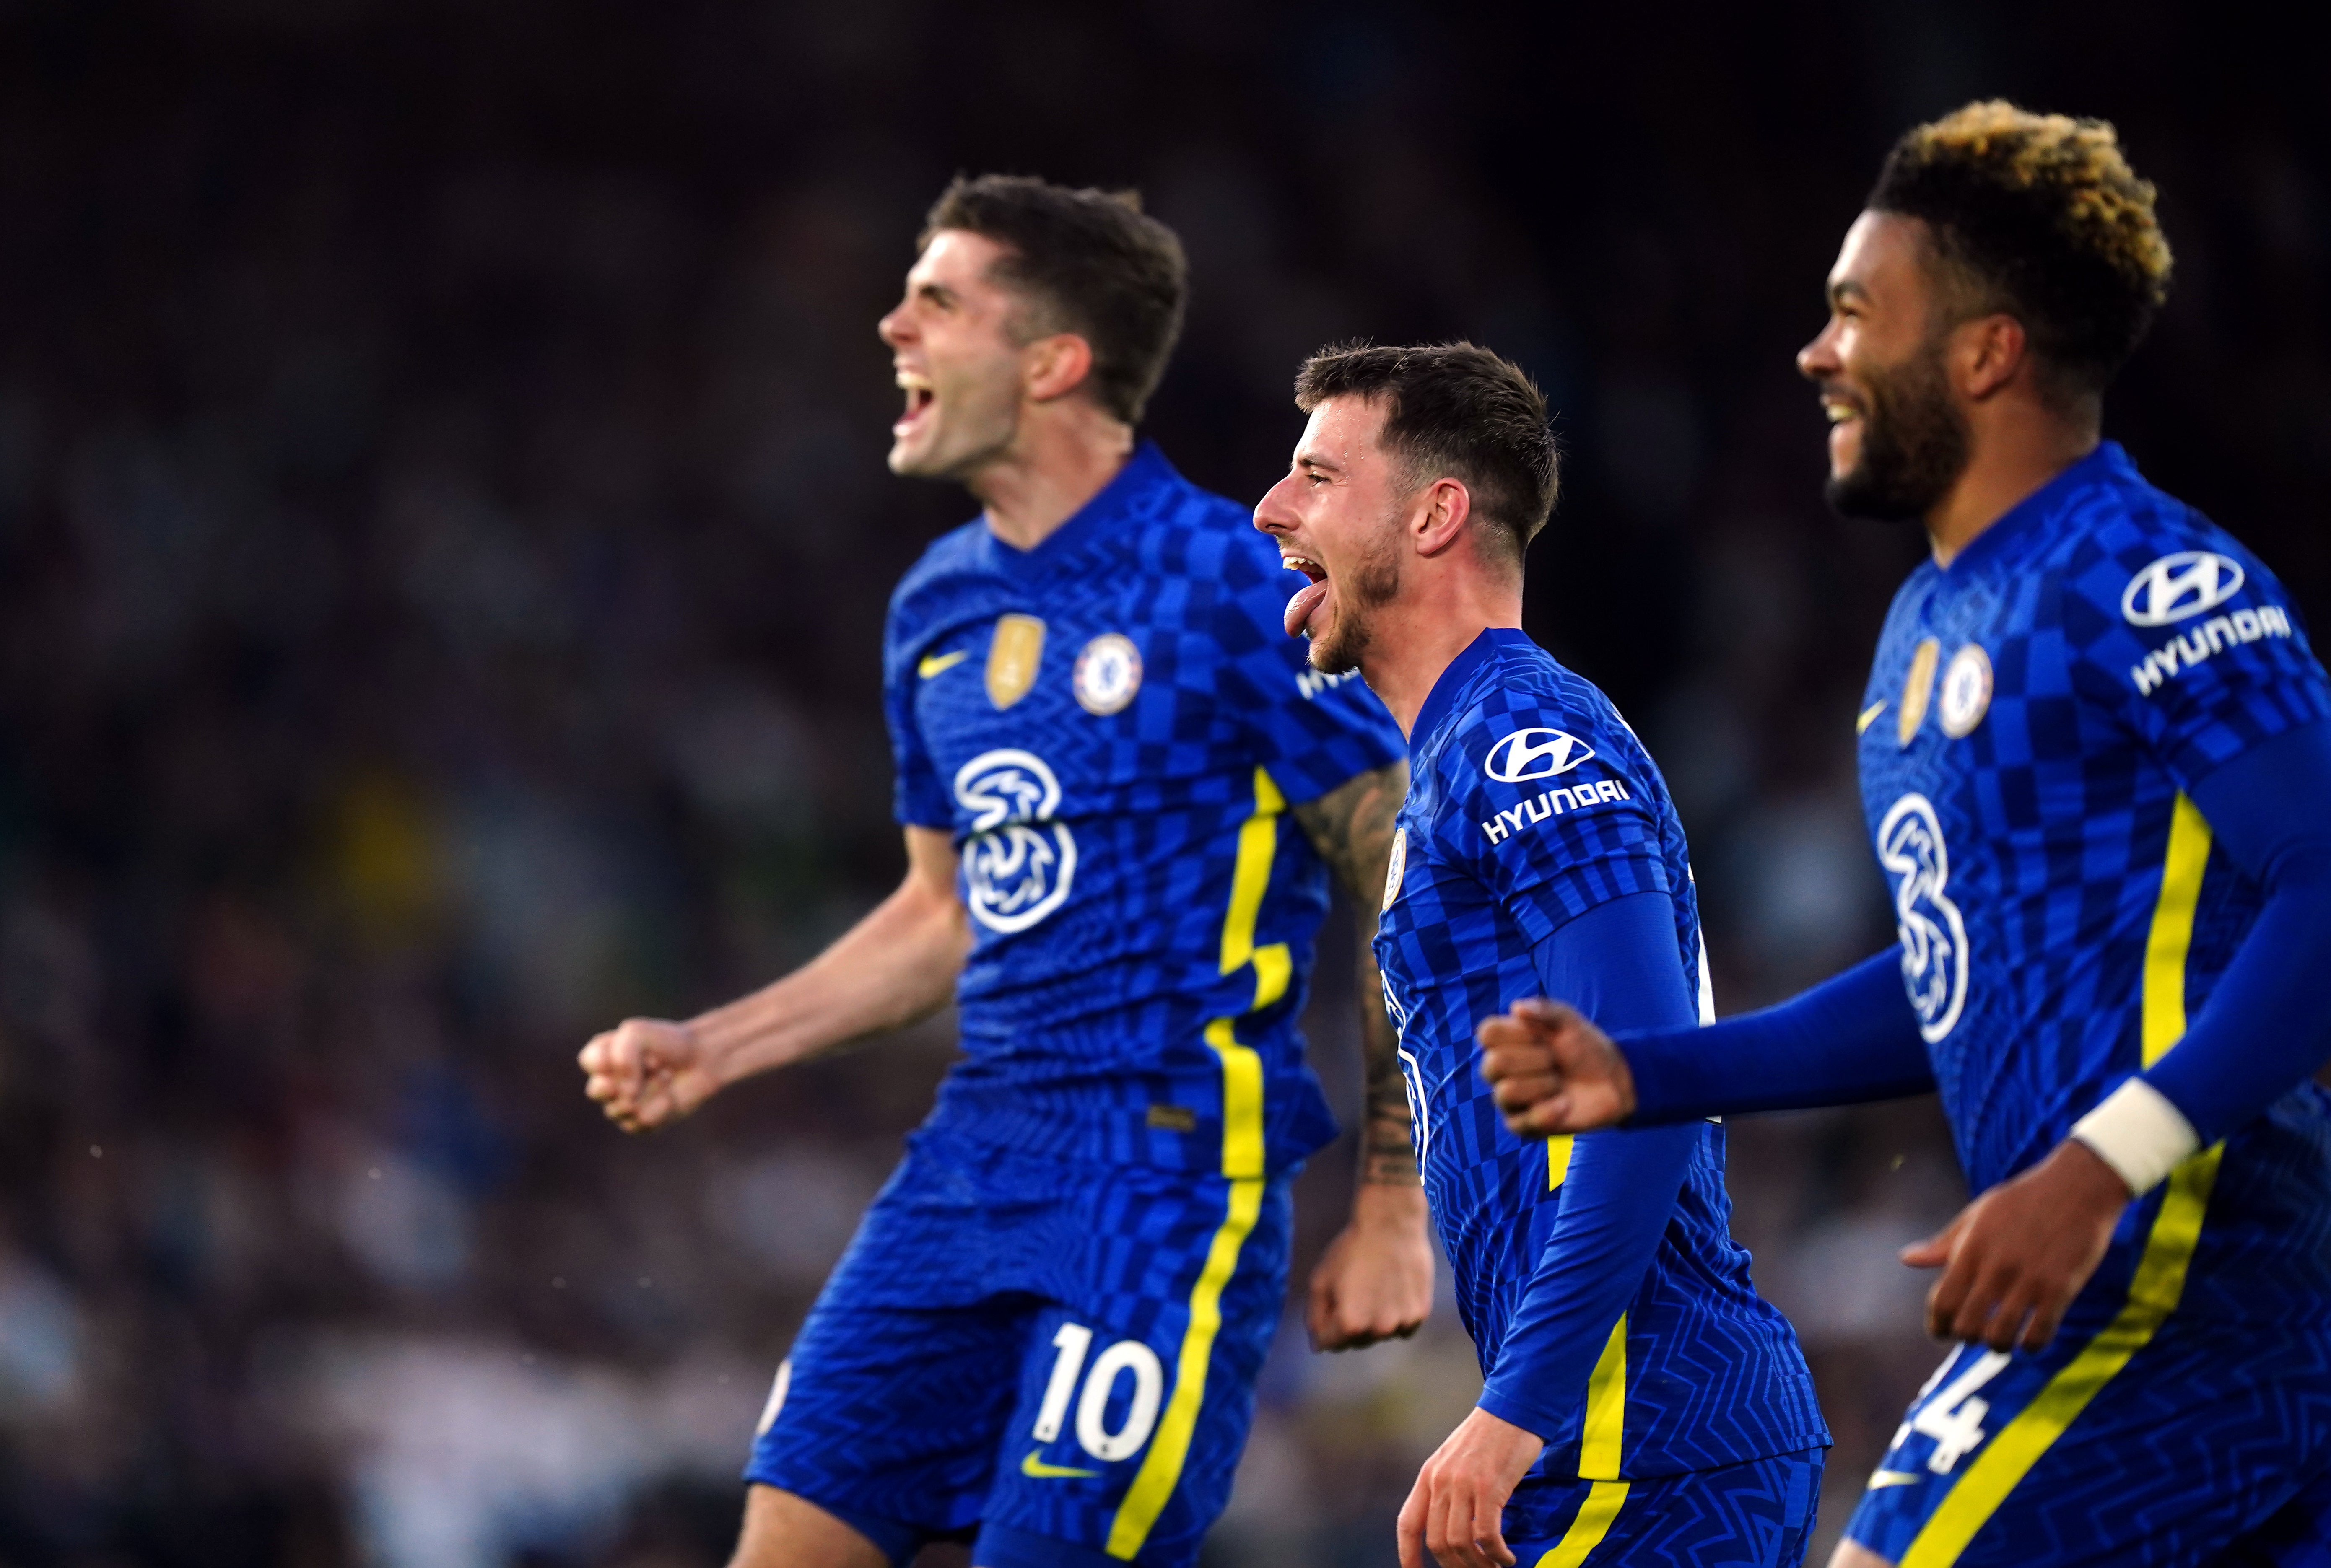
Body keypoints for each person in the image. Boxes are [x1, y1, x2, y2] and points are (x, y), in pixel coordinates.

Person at [1480, 103, 2331, 1568]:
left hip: (2188, 1270)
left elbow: (2324, 882)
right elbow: (1954, 986)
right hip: (2114, 1282)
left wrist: (2096, 1165)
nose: (1818, 353)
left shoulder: (2150, 578)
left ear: (1987, 352)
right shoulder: (1925, 634)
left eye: (1857, 314)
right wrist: (1656, 1074)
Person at [576, 175, 1436, 1568]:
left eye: (938, 300)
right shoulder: (937, 610)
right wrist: (714, 1045)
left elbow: (1408, 864)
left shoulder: (1231, 576)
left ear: (1052, 361)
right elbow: (942, 915)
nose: (890, 324)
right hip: (969, 1166)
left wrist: (1395, 1204)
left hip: (1163, 1182)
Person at [1254, 340, 1829, 1568]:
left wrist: (1512, 1411)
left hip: (1650, 1446)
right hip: (1606, 1451)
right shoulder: (1460, 749)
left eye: (1315, 475)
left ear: (1435, 513)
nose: (1273, 508)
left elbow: (1647, 1084)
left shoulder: (1525, 735)